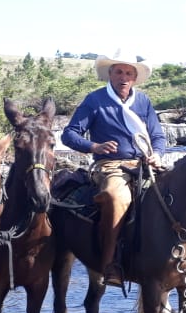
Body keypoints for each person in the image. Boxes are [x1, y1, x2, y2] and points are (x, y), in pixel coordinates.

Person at [61, 49, 167, 287]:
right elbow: (69, 135)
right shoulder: (95, 100)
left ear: (135, 77)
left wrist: (157, 155)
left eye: (129, 72)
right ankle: (110, 263)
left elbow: (158, 136)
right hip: (109, 164)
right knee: (114, 196)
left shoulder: (143, 102)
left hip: (144, 163)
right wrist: (94, 146)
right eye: (119, 71)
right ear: (110, 74)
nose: (124, 77)